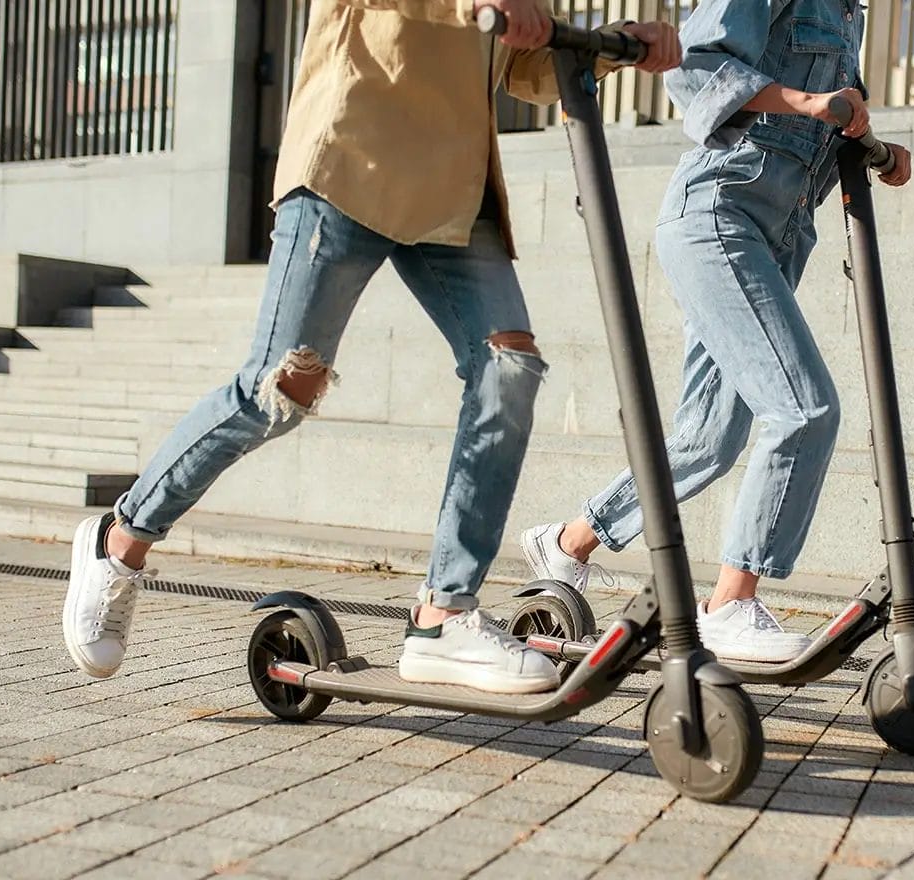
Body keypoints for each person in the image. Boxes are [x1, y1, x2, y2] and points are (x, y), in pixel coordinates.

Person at [61, 0, 680, 694]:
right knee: (276, 391)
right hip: (350, 160)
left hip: (452, 187)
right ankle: (119, 541)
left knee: (509, 369)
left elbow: (522, 63)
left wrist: (613, 47)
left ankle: (444, 614)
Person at [521, 0, 911, 662]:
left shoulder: (848, 16)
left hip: (777, 236)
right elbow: (695, 64)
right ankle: (729, 604)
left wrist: (874, 145)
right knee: (805, 410)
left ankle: (567, 545)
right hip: (718, 214)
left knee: (707, 437)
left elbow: (830, 109)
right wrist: (810, 102)